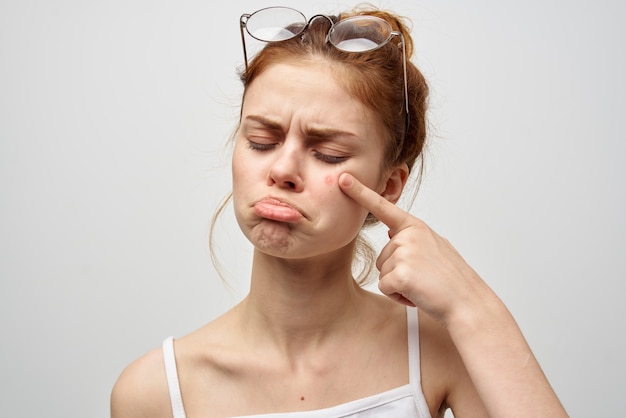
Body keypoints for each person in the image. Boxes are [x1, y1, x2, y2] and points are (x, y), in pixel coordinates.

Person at [111, 5, 568, 417]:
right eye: (261, 142)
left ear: (388, 186)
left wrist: (474, 306)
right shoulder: (154, 392)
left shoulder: (438, 349)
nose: (283, 169)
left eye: (327, 152)